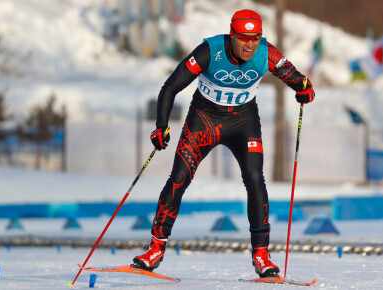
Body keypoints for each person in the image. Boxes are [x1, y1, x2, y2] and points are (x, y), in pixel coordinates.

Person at [131, 9, 315, 277]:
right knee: (179, 178)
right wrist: (161, 126)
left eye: (255, 38)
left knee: (254, 178)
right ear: (232, 36)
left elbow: (297, 78)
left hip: (243, 122)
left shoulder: (266, 53)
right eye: (244, 38)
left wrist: (304, 88)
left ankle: (262, 255)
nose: (250, 44)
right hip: (203, 120)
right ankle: (155, 249)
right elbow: (170, 87)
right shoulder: (209, 51)